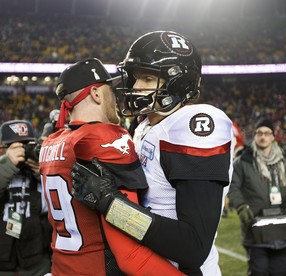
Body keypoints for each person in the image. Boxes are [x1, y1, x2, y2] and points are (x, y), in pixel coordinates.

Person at [71, 31, 236, 275]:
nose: (136, 87)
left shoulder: (194, 124)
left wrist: (110, 203)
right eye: (136, 78)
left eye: (147, 78)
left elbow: (193, 246)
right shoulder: (146, 126)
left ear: (177, 82)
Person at [39, 57, 184, 275]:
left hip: (62, 267)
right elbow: (130, 253)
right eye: (110, 90)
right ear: (96, 94)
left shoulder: (52, 142)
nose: (116, 98)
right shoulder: (104, 137)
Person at [228, 117, 286, 276]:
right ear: (254, 135)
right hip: (256, 228)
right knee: (259, 272)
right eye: (259, 133)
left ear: (273, 137)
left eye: (267, 133)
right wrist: (241, 207)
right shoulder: (243, 162)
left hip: (283, 229)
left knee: (281, 272)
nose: (263, 137)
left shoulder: (284, 161)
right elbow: (233, 187)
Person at [0, 120, 51, 276]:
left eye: (26, 145)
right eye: (15, 146)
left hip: (37, 263)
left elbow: (57, 205)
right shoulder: (3, 166)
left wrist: (44, 172)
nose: (22, 151)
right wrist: (8, 164)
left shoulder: (41, 170)